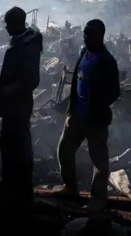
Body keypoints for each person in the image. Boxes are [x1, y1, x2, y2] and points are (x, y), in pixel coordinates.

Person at [57, 19, 120, 213]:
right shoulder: (85, 53)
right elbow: (76, 80)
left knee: (99, 161)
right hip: (77, 116)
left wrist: (97, 107)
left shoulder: (107, 61)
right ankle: (70, 187)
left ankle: (98, 198)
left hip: (96, 121)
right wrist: (71, 109)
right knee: (64, 150)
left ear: (100, 35)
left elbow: (114, 92)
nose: (84, 36)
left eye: (88, 33)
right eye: (84, 33)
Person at [0, 6, 43, 210]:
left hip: (18, 105)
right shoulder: (21, 42)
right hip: (12, 104)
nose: (5, 27)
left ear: (16, 23)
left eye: (7, 23)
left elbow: (32, 79)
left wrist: (9, 90)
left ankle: (22, 187)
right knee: (7, 143)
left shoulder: (28, 46)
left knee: (19, 145)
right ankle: (9, 181)